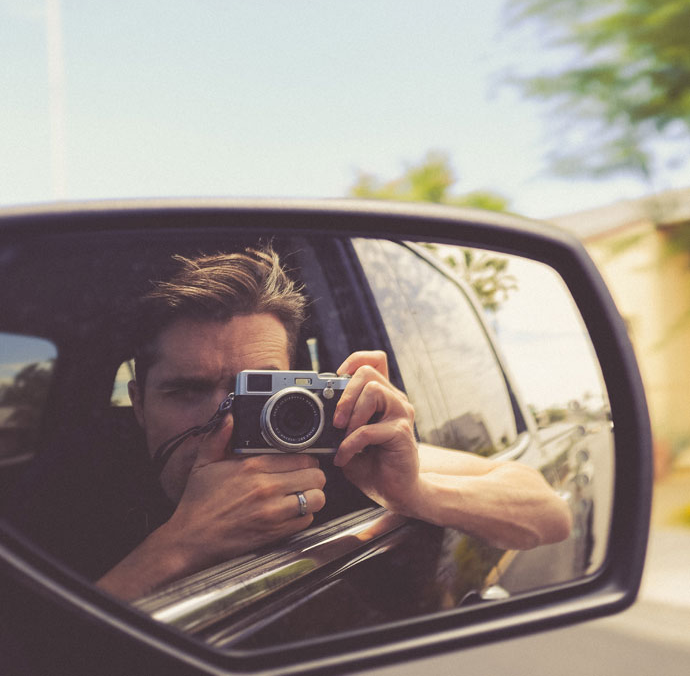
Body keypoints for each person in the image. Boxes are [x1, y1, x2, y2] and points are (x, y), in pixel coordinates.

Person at [92, 246, 571, 601]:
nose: (226, 422)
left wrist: (414, 494)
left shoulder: (339, 455)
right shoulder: (78, 491)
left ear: (299, 388)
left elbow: (548, 513)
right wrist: (184, 543)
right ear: (137, 403)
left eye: (257, 393)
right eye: (186, 391)